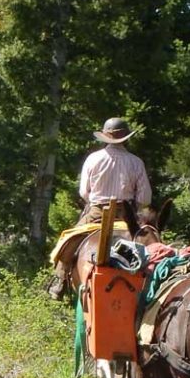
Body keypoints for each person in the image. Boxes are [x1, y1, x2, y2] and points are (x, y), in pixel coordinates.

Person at [48, 117, 154, 297]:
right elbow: (145, 198)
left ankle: (60, 280)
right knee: (152, 243)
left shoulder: (93, 159)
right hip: (126, 216)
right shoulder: (136, 162)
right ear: (127, 138)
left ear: (105, 137)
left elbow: (84, 192)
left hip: (97, 211)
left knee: (69, 239)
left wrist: (95, 200)